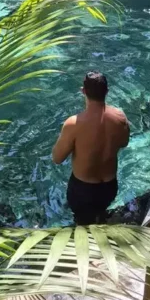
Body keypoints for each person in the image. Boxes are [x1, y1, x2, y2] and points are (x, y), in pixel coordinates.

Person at [52, 72, 130, 225]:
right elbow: (124, 143)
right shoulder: (120, 118)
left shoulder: (73, 124)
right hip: (109, 186)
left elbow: (57, 158)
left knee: (82, 224)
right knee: (100, 215)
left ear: (83, 91)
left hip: (83, 189)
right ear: (107, 92)